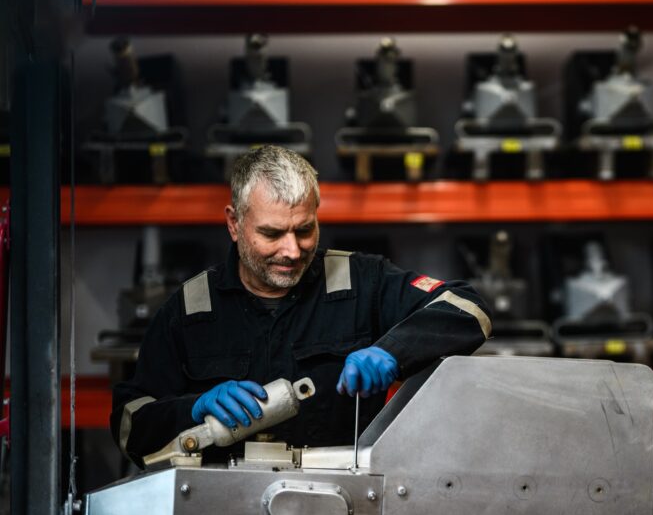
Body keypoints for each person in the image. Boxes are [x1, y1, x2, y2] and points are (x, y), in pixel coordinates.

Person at [110, 145, 492, 467]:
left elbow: (467, 308)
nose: (292, 251)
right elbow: (129, 425)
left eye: (305, 230)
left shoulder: (362, 280)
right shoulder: (191, 309)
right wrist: (193, 408)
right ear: (234, 223)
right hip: (224, 512)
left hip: (343, 506)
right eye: (271, 233)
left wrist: (392, 352)